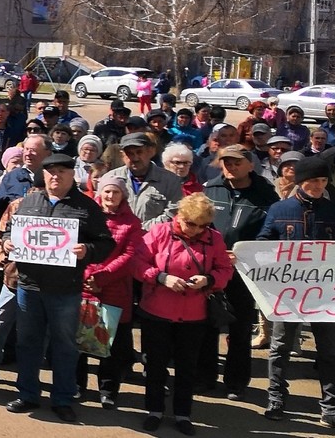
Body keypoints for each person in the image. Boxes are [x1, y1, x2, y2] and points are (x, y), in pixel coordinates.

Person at [3, 148, 115, 423]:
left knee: (64, 345)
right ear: (44, 174)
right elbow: (11, 231)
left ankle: (63, 398)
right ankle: (28, 393)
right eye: (51, 172)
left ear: (71, 175)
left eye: (61, 172)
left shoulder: (86, 206)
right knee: (28, 342)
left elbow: (106, 243)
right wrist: (7, 241)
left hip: (65, 289)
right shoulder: (29, 203)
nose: (55, 177)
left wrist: (86, 250)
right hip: (29, 286)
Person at [258, 155, 335, 432]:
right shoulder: (280, 209)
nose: (318, 185)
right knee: (280, 348)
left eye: (323, 180)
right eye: (313, 180)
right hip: (288, 293)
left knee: (329, 352)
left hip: (324, 294)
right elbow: (263, 242)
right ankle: (276, 398)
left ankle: (331, 408)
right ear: (300, 181)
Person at [134, 194, 235, 435]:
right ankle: (154, 410)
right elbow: (137, 262)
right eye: (191, 224)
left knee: (187, 367)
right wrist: (161, 277)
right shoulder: (159, 232)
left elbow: (225, 269)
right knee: (155, 365)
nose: (196, 230)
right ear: (180, 216)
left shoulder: (214, 239)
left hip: (193, 315)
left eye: (203, 225)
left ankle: (182, 414)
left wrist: (208, 279)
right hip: (156, 311)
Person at [201, 143, 276, 399]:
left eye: (237, 162)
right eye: (227, 162)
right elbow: (199, 225)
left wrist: (247, 254)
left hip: (244, 273)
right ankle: (206, 376)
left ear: (250, 165)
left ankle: (236, 382)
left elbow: (270, 236)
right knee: (208, 325)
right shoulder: (210, 189)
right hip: (210, 269)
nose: (231, 167)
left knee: (241, 329)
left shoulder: (267, 196)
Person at [76, 174, 142, 409]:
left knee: (112, 345)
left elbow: (130, 256)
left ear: (123, 195)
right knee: (80, 341)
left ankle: (108, 389)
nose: (110, 196)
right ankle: (77, 385)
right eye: (107, 191)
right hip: (85, 287)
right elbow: (78, 248)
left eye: (115, 192)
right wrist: (88, 276)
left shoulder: (132, 223)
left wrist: (102, 277)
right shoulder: (86, 216)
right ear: (99, 193)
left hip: (115, 289)